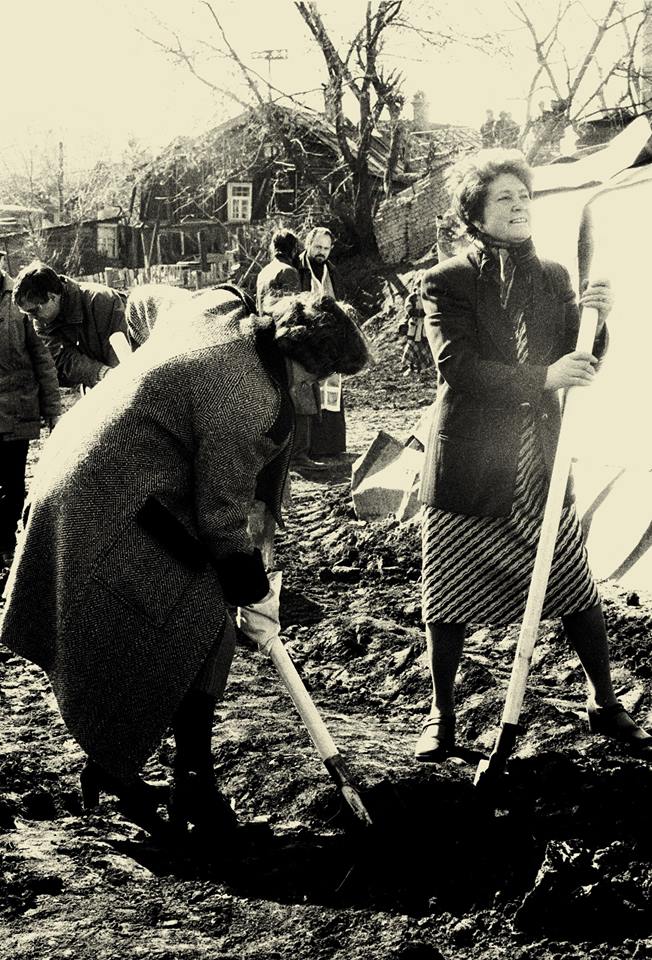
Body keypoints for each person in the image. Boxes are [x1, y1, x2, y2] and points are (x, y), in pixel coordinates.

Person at [0, 285, 369, 841]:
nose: (313, 390)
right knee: (199, 622)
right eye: (318, 377)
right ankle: (183, 780)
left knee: (183, 619)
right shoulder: (243, 397)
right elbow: (221, 520)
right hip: (105, 497)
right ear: (302, 359)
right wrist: (254, 592)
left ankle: (135, 770)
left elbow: (143, 303)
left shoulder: (223, 306)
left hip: (89, 463)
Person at [413, 148, 652, 763]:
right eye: (505, 198)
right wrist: (543, 377)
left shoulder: (552, 275)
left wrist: (598, 320)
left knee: (573, 583)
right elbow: (458, 368)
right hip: (473, 459)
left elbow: (581, 357)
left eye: (524, 196)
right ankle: (442, 715)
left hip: (540, 455)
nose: (520, 206)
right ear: (475, 213)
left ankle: (604, 701)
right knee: (449, 594)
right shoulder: (446, 282)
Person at [0, 267, 61, 567]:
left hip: (18, 411)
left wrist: (53, 411)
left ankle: (8, 547)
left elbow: (43, 361)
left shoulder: (21, 301)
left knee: (12, 485)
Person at [256, 229, 325, 473]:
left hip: (267, 341)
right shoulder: (289, 272)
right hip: (288, 342)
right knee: (303, 395)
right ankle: (299, 456)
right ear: (294, 249)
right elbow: (293, 311)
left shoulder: (264, 272)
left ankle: (283, 455)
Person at [12, 260, 130, 389]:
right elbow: (61, 359)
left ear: (52, 296)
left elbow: (124, 356)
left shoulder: (103, 301)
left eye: (33, 311)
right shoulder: (41, 321)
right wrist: (101, 373)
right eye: (27, 313)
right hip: (100, 384)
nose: (31, 318)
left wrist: (113, 378)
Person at [297, 226, 348, 459]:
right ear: (308, 244)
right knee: (309, 392)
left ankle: (332, 445)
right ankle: (310, 448)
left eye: (326, 248)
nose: (322, 252)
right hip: (306, 342)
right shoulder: (298, 269)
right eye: (318, 247)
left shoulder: (332, 272)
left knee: (332, 391)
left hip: (330, 343)